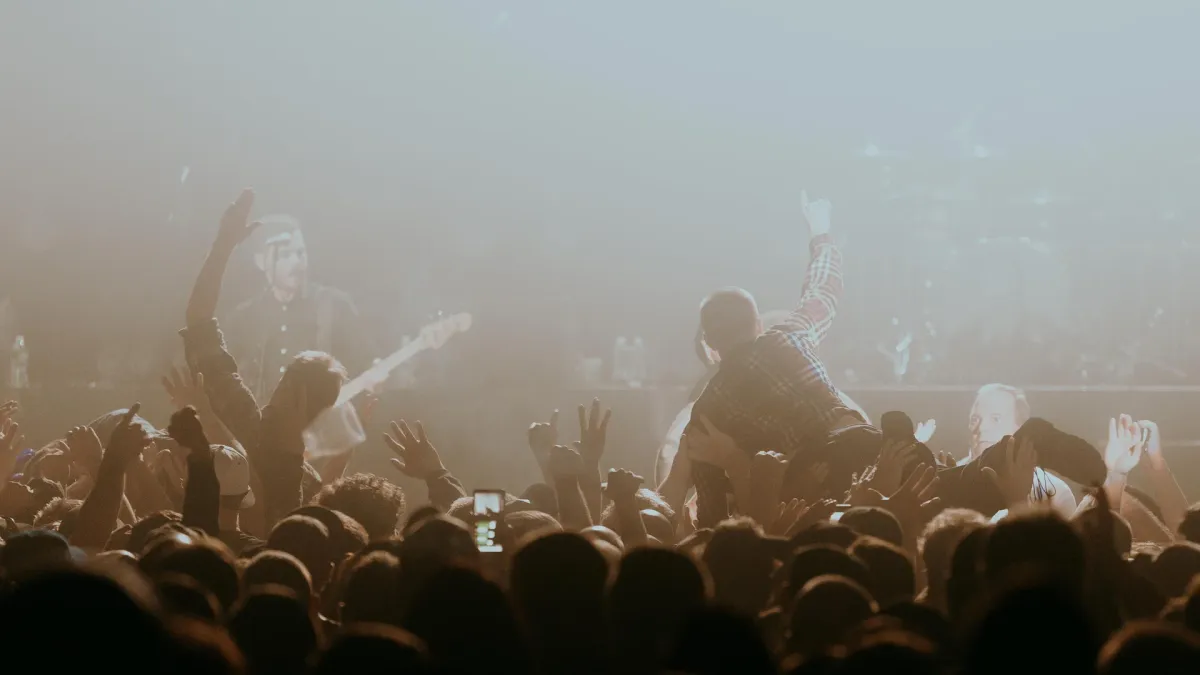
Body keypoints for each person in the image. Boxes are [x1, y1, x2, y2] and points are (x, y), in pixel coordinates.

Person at [687, 191, 859, 527]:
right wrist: (820, 232)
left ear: (710, 342)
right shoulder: (790, 338)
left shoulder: (707, 410)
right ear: (758, 324)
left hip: (791, 516)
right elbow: (824, 289)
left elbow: (711, 509)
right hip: (859, 473)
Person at [223, 213, 374, 402]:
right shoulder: (243, 318)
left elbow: (367, 362)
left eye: (301, 253)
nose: (296, 262)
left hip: (324, 419)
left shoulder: (335, 305)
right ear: (261, 262)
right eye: (286, 255)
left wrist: (374, 374)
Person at [958, 383, 1077, 517]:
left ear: (1020, 428)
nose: (981, 428)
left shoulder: (1054, 494)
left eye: (995, 419)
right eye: (974, 419)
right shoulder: (947, 481)